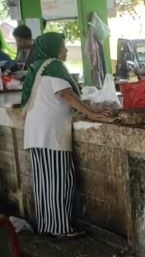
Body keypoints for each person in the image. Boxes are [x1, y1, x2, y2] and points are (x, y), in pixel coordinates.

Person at [21, 33, 113, 239]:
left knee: (45, 183)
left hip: (37, 134)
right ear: (53, 48)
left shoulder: (37, 66)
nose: (65, 50)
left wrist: (82, 111)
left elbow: (56, 99)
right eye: (63, 46)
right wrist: (91, 113)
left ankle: (47, 226)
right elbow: (65, 94)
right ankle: (60, 228)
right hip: (50, 135)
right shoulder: (53, 66)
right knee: (59, 181)